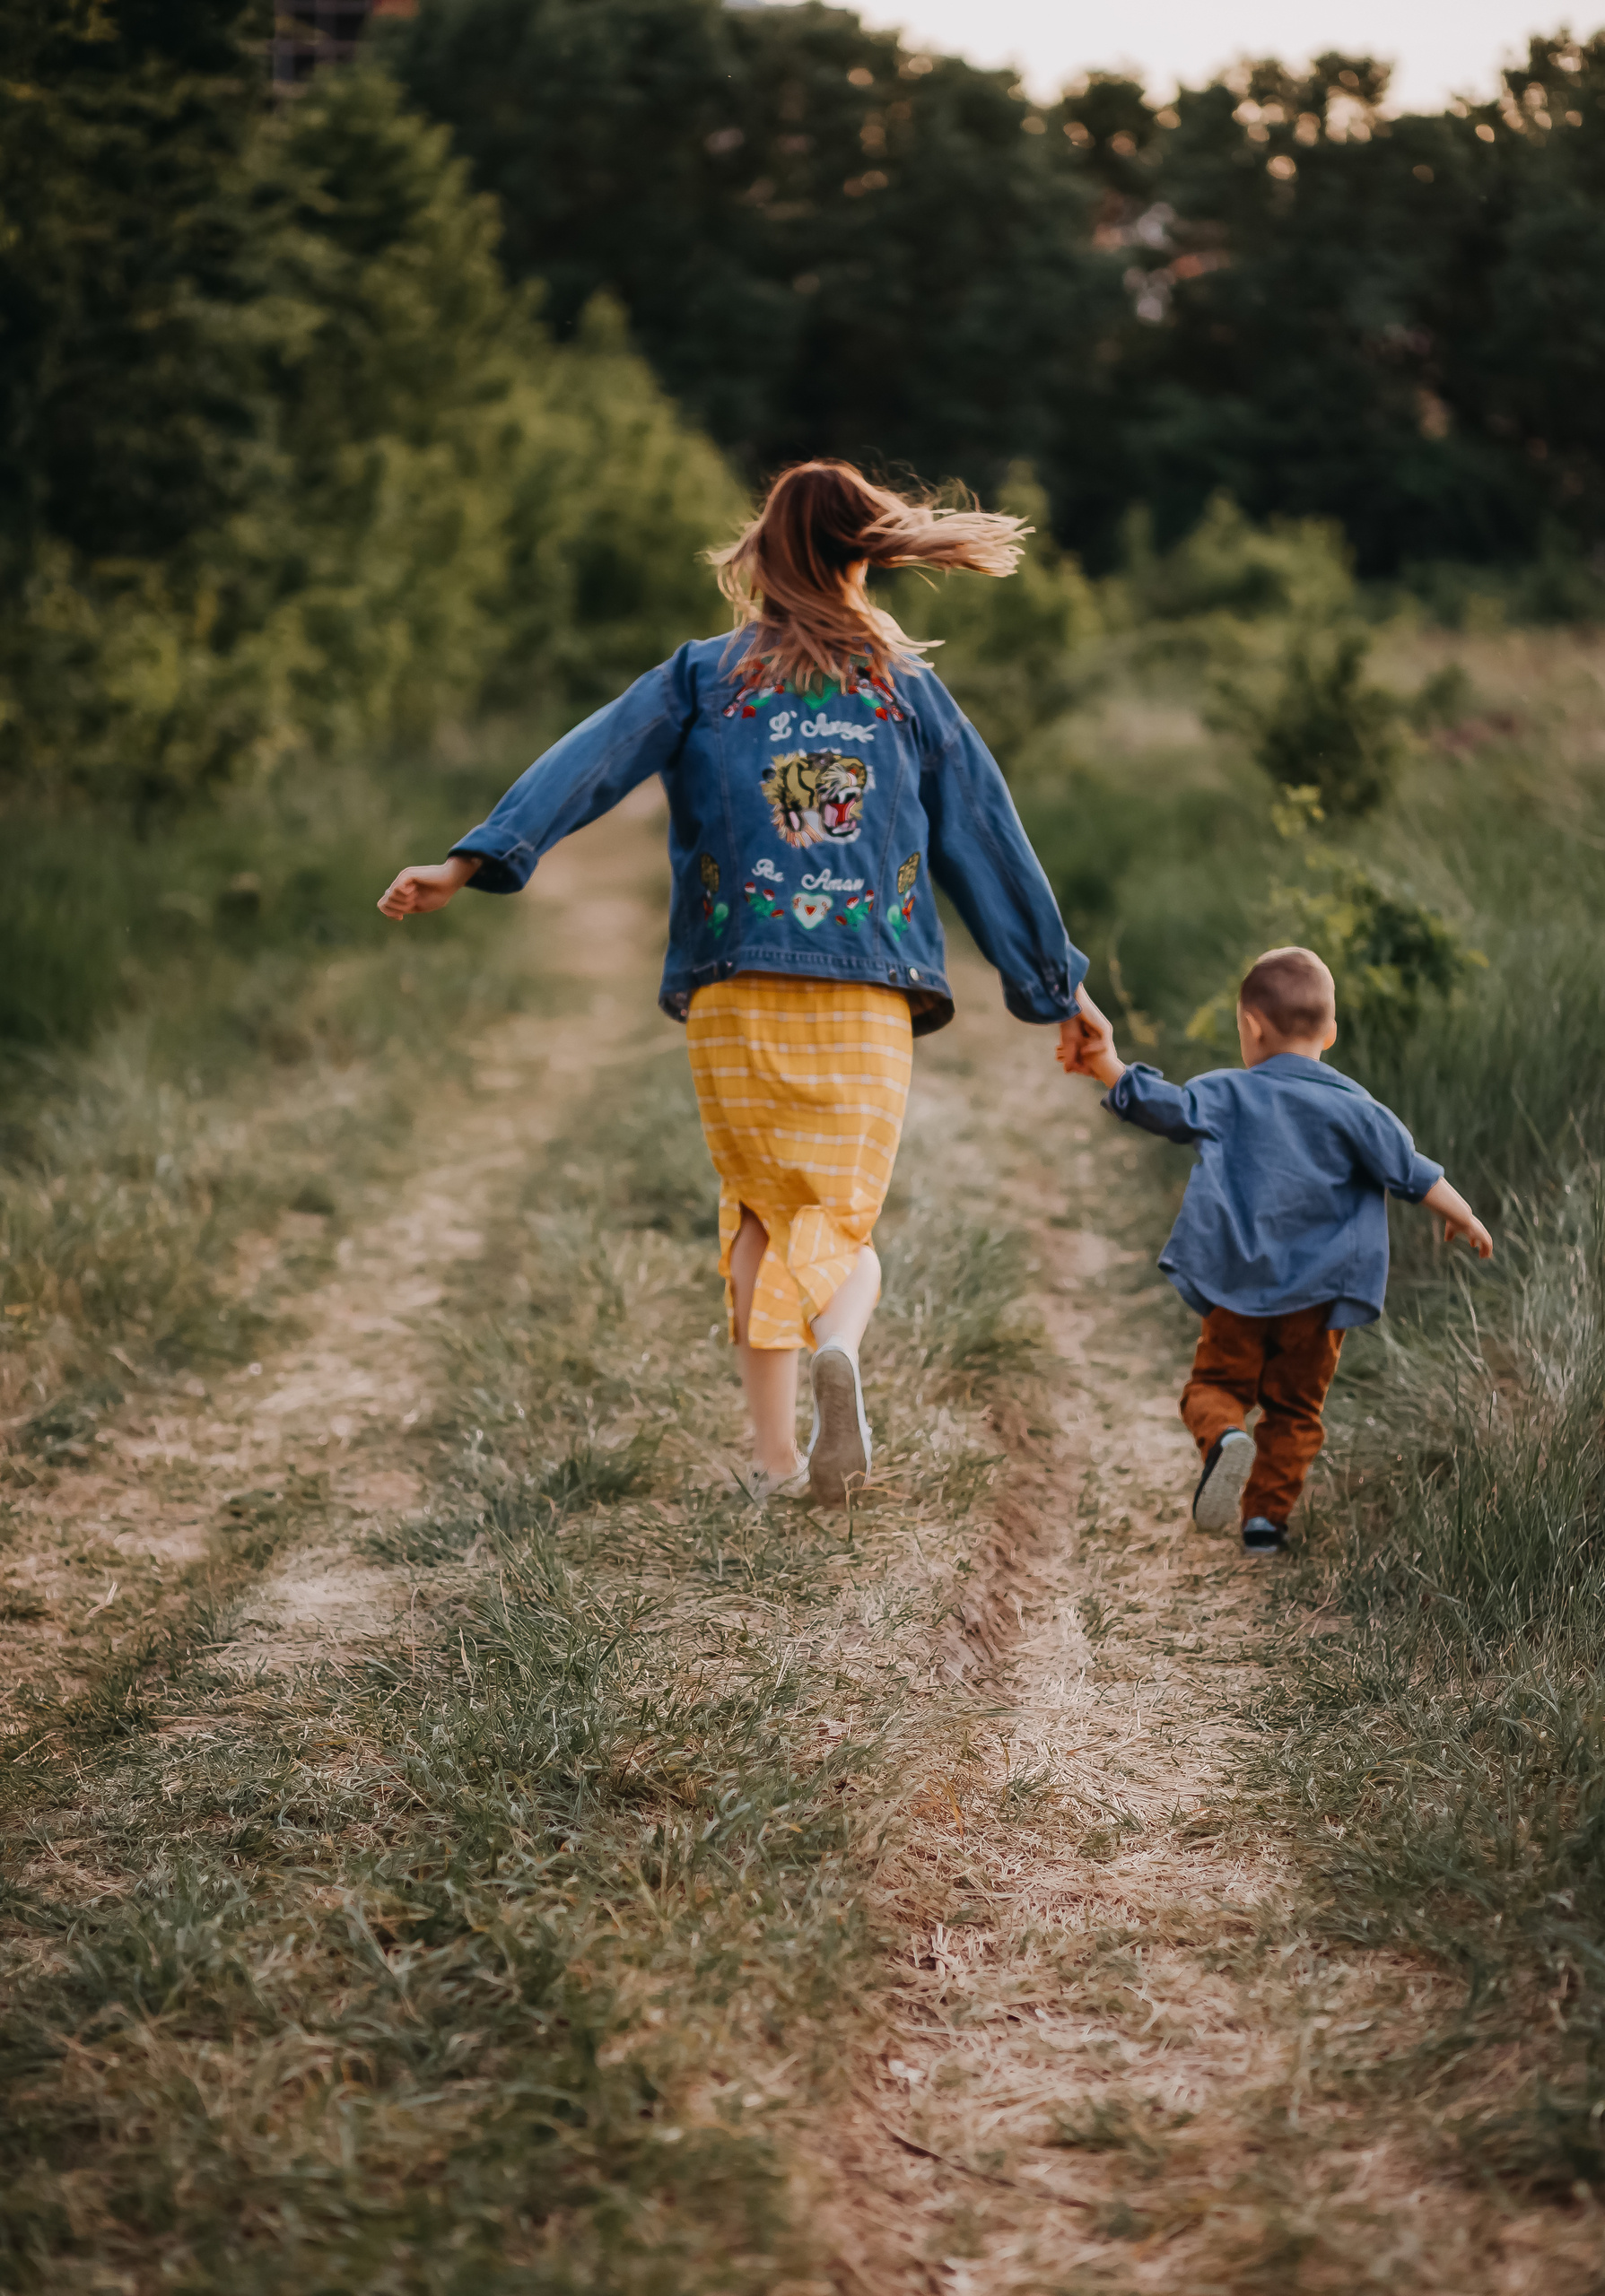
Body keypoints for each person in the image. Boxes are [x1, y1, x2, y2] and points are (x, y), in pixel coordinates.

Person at [379, 460, 1103, 1505]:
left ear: (759, 555)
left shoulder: (699, 677)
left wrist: (470, 860)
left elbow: (585, 762)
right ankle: (839, 1348)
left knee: (758, 1211)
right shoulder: (909, 692)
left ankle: (772, 1468)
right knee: (838, 1224)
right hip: (865, 990)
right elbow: (987, 841)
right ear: (866, 556)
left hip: (735, 989)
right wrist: (1055, 986)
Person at [1061, 944, 1492, 1554]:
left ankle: (1222, 1439)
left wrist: (1106, 1064)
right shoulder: (1359, 1111)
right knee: (1294, 1411)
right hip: (1319, 1300)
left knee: (1212, 1388)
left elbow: (1167, 1109)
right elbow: (1411, 1172)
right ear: (1330, 1033)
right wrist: (1463, 1215)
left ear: (1251, 1026)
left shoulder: (1228, 1094)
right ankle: (1264, 1522)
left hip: (1238, 1287)